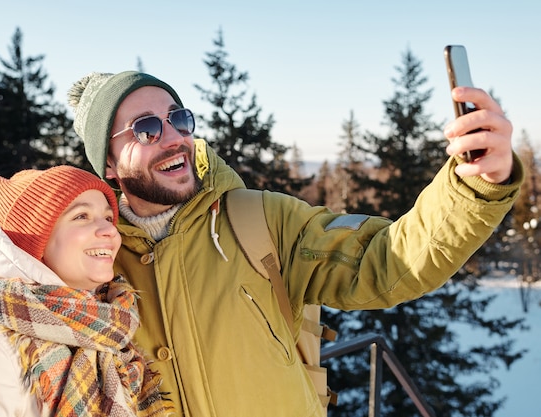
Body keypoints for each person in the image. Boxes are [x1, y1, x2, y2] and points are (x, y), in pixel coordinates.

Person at [66, 71, 523, 417]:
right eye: (146, 129)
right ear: (107, 162)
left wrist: (474, 185)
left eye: (179, 119)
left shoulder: (262, 219)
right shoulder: (84, 260)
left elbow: (384, 260)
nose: (174, 138)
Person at [0, 166, 173, 417]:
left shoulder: (111, 330)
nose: (110, 231)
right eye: (81, 216)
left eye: (108, 218)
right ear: (36, 241)